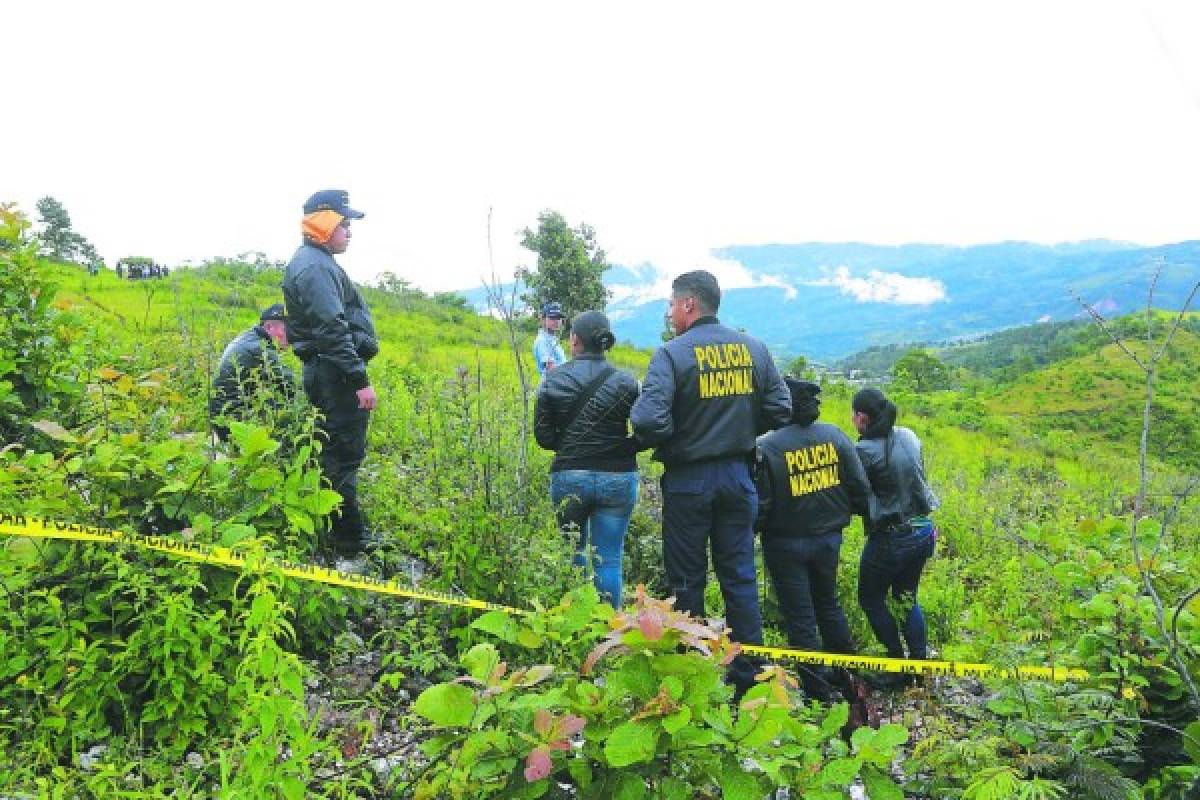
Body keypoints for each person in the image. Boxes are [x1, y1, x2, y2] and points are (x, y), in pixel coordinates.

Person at [630, 269, 792, 697]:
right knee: (739, 576)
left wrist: (682, 434)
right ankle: (749, 680)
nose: (669, 313)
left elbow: (647, 419)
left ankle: (691, 676)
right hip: (740, 477)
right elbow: (780, 409)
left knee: (687, 580)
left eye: (670, 304)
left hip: (689, 480)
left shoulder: (673, 354)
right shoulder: (754, 348)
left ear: (689, 304)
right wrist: (738, 429)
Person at [755, 379, 872, 701]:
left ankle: (817, 689)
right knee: (828, 603)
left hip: (785, 543)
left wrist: (752, 529)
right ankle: (847, 675)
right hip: (829, 539)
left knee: (800, 616)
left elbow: (761, 503)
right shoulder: (834, 435)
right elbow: (859, 485)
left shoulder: (767, 446)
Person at [282, 189, 381, 557]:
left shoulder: (318, 263)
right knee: (341, 458)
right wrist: (360, 380)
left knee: (336, 456)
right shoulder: (314, 266)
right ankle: (349, 546)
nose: (350, 231)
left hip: (332, 371)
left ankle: (338, 533)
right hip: (336, 375)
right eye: (344, 223)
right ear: (323, 223)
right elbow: (330, 328)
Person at [534, 310, 642, 607]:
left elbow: (544, 438)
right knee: (609, 560)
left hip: (569, 476)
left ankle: (578, 627)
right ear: (605, 342)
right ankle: (609, 632)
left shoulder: (552, 381)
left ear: (574, 341)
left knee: (574, 554)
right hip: (618, 478)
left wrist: (570, 446)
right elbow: (650, 425)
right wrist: (628, 446)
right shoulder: (627, 382)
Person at [851, 387, 939, 688]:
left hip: (892, 537)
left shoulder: (864, 451)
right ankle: (918, 663)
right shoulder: (910, 436)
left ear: (862, 417)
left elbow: (856, 494)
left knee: (870, 598)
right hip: (923, 529)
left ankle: (896, 663)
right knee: (906, 597)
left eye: (854, 415)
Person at [208, 304, 296, 442]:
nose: (291, 335)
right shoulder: (259, 348)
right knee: (290, 417)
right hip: (232, 420)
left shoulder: (249, 337)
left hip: (222, 413)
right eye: (286, 329)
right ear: (269, 327)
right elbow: (289, 384)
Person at [532, 302, 567, 378]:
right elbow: (552, 370)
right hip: (551, 387)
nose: (556, 321)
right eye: (552, 318)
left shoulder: (552, 339)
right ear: (543, 319)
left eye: (558, 318)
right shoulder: (542, 341)